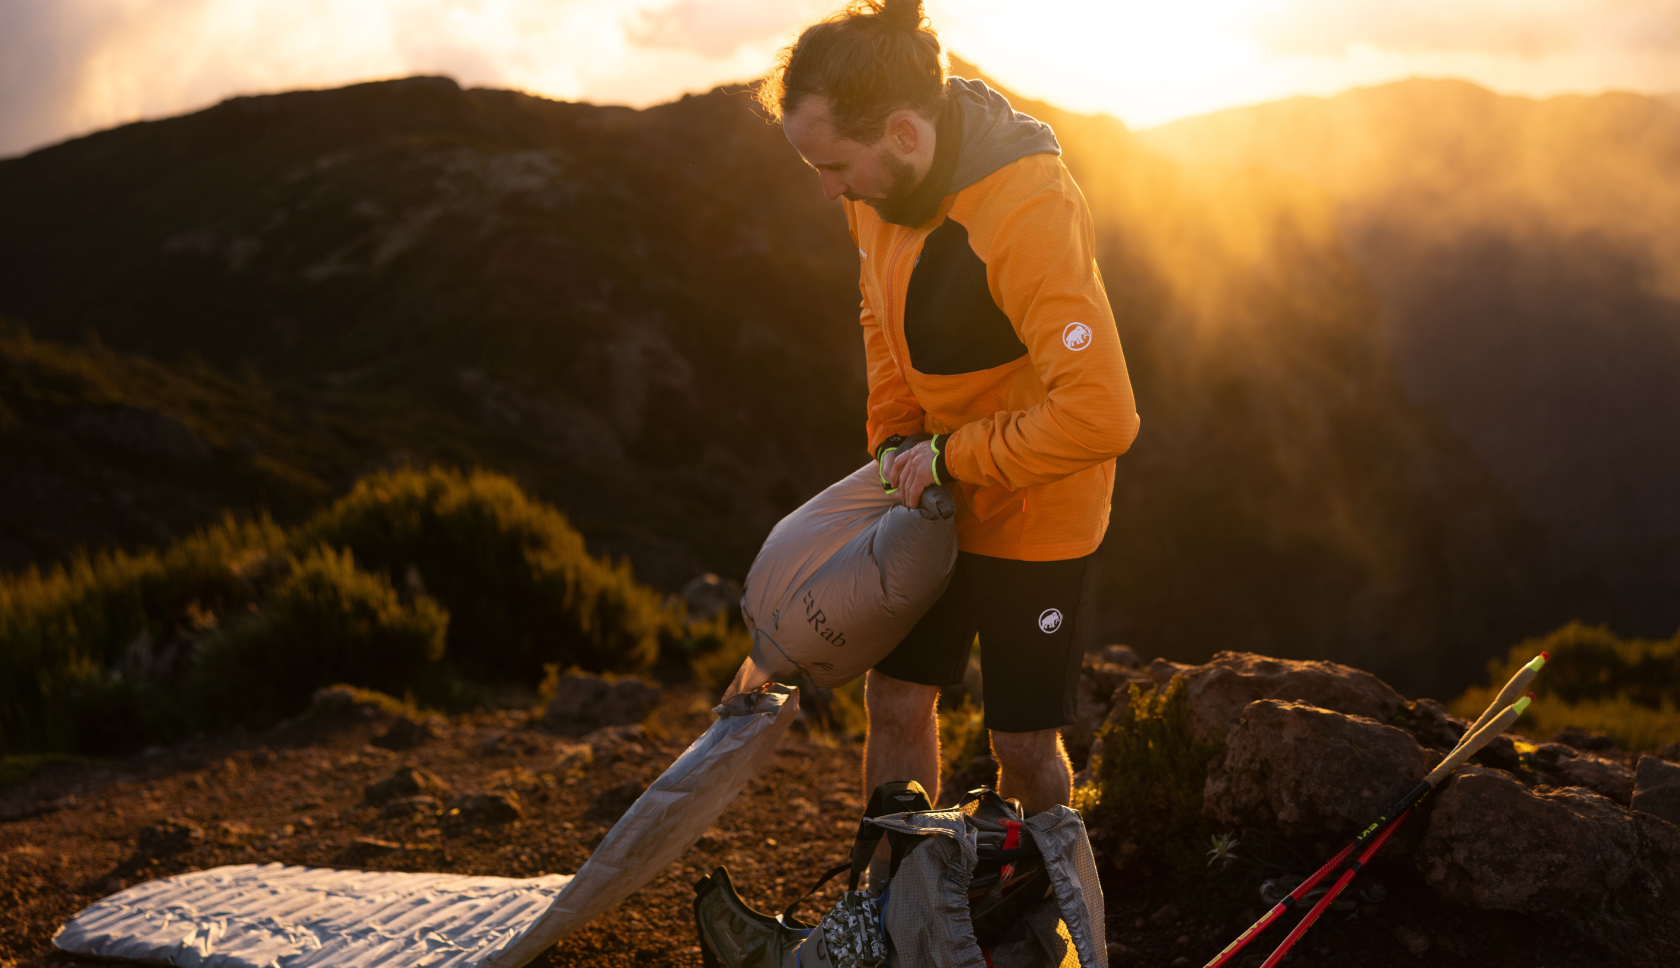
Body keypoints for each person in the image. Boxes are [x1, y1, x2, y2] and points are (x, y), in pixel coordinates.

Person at [760, 0, 1140, 818]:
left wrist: (949, 457)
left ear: (904, 133)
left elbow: (1102, 416)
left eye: (834, 168)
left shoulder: (1026, 203)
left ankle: (1037, 918)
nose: (829, 193)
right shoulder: (879, 188)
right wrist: (898, 435)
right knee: (895, 700)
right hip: (931, 492)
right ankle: (899, 911)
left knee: (1021, 743)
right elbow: (878, 310)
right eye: (814, 170)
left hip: (1037, 508)